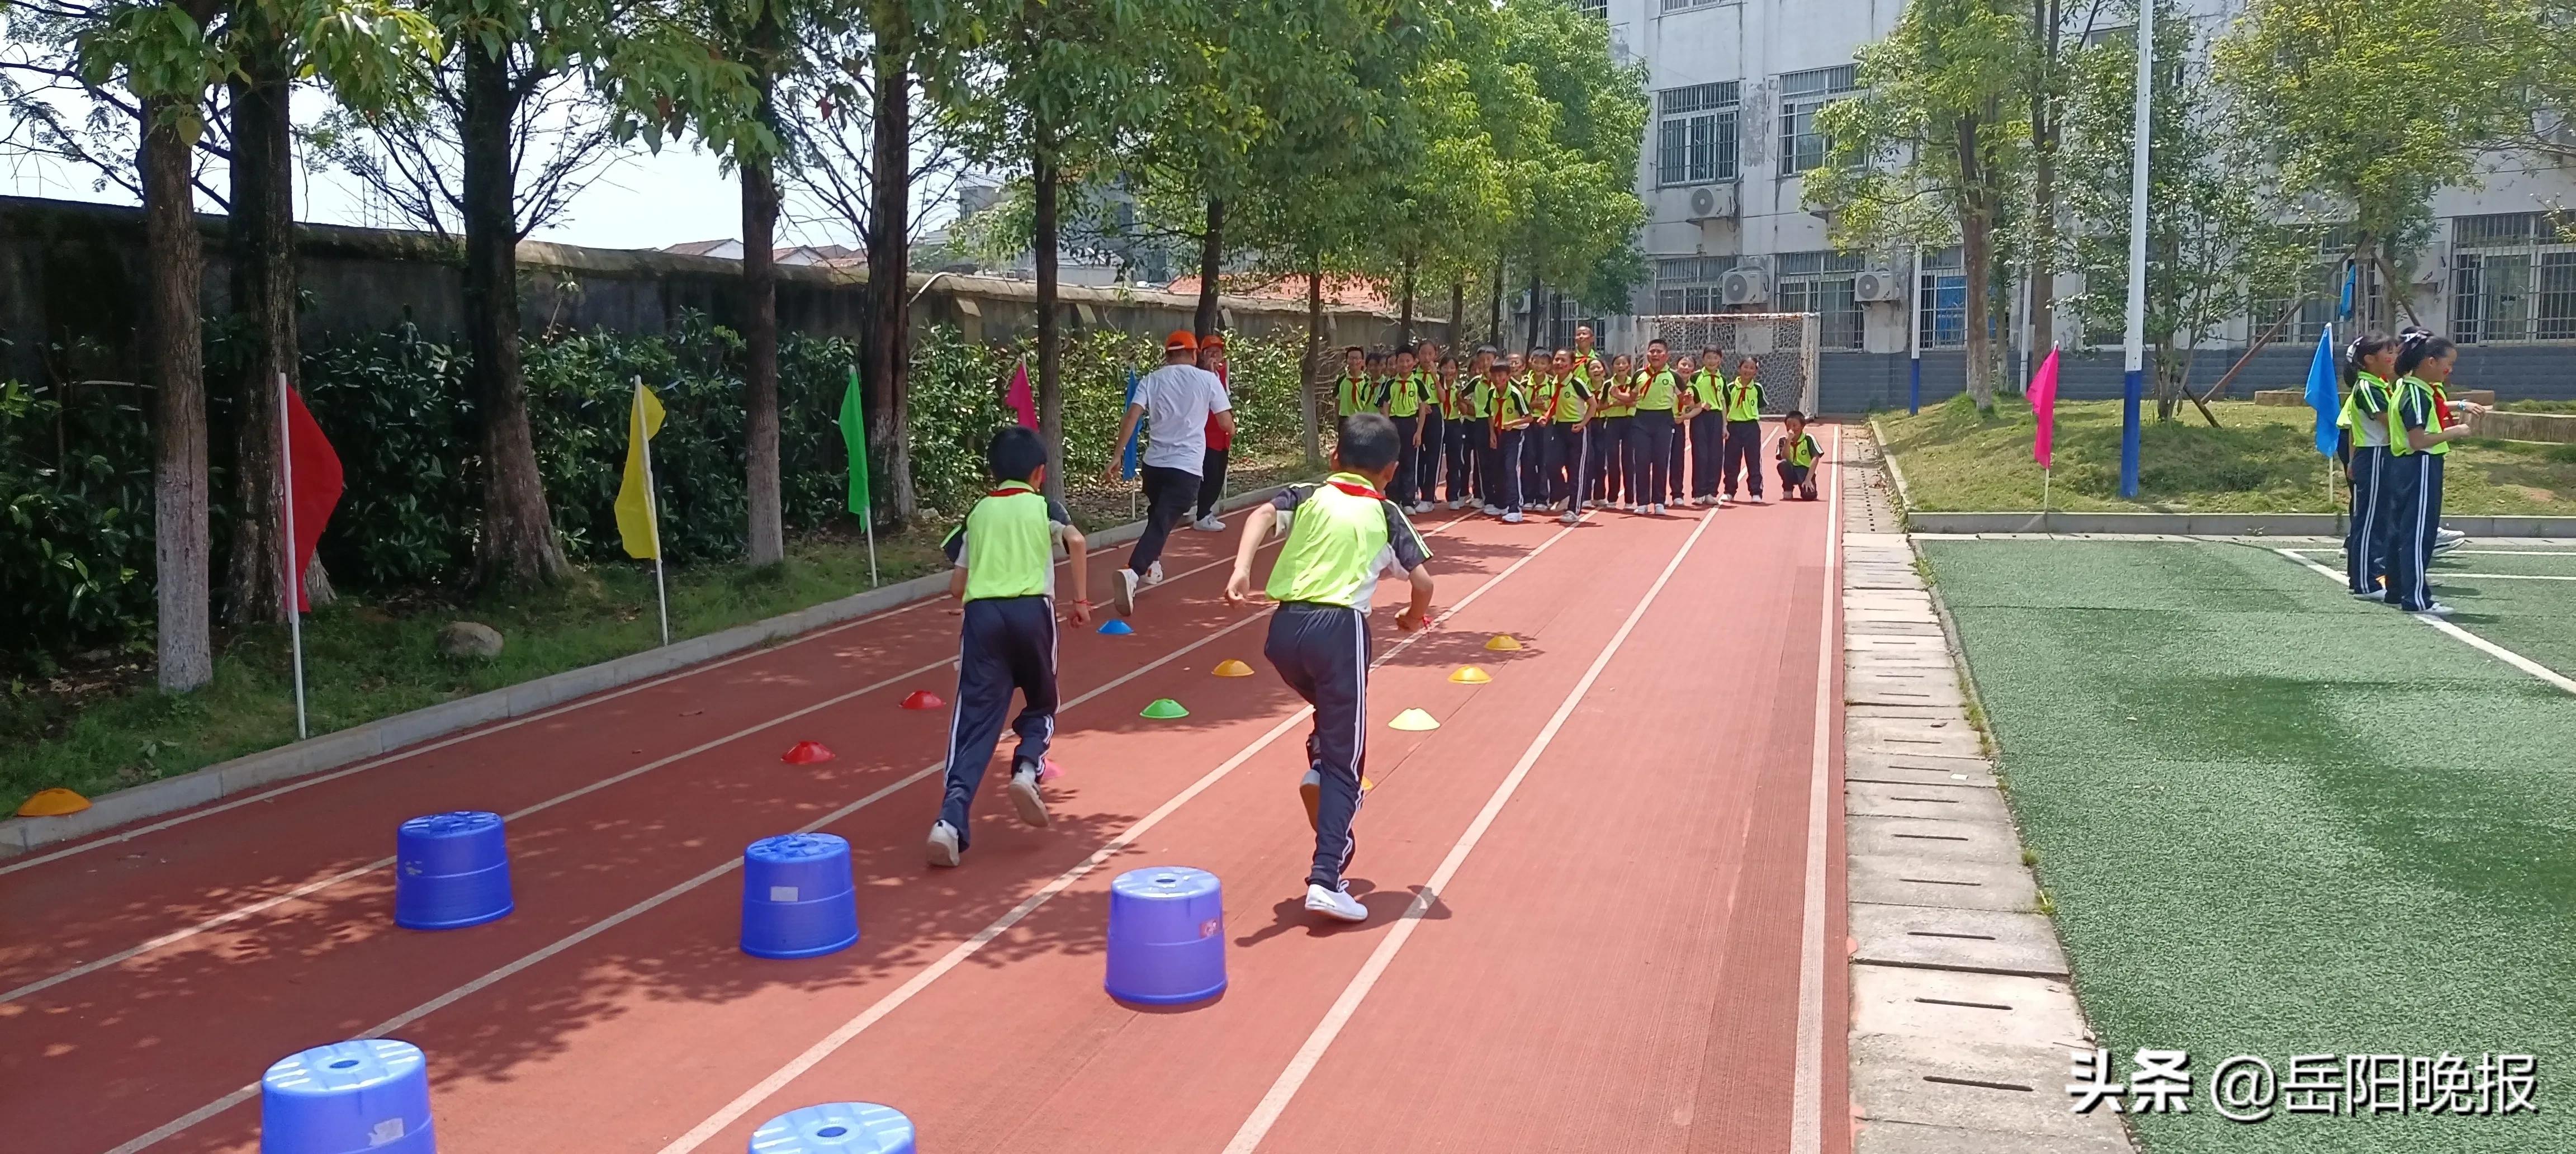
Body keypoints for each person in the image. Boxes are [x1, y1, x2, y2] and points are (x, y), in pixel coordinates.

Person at [1223, 414, 1435, 923]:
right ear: (1391, 470)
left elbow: (1259, 516)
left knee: (1330, 714)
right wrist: (1410, 617)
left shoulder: (1308, 494)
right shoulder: (1386, 512)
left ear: (1335, 457)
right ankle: (1326, 878)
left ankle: (1320, 762)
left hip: (1284, 633)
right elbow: (1424, 582)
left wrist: (1242, 568)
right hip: (1340, 632)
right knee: (1348, 762)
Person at [927, 427, 1091, 867]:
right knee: (1042, 700)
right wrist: (1079, 601)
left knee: (975, 722)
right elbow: (1076, 541)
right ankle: (1025, 766)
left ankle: (949, 821)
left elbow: (956, 584)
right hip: (1032, 611)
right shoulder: (1043, 507)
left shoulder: (978, 514)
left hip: (983, 619)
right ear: (1040, 474)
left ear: (992, 475)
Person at [1103, 330, 1233, 616]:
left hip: (1154, 465)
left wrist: (1118, 455)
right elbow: (1226, 423)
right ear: (1195, 353)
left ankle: (1153, 564)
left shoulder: (1152, 380)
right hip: (1185, 465)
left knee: (1158, 512)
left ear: (1167, 355)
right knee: (1163, 520)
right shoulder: (1208, 380)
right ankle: (1133, 572)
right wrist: (1229, 427)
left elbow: (1132, 416)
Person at [2380, 333, 2485, 616]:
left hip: (2405, 465)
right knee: (2418, 534)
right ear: (2430, 362)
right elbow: (2418, 440)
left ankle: (2397, 590)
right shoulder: (2416, 393)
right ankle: (2416, 597)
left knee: (2400, 530)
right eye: (2447, 363)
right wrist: (2457, 431)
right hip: (2420, 463)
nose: (2449, 370)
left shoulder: (2408, 387)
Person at [2337, 332, 2400, 599]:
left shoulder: (2380, 384)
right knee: (2369, 520)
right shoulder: (2367, 387)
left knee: (2379, 519)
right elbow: (2389, 421)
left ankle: (2370, 577)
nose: (2395, 357)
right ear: (2370, 359)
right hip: (2373, 456)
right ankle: (2364, 582)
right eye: (2389, 352)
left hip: (2377, 455)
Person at [1538, 347, 1592, 522]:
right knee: (1551, 464)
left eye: (1563, 361)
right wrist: (1547, 417)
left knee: (1576, 470)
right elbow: (1555, 403)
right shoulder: (1554, 382)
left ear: (1571, 365)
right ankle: (1563, 495)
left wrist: (1583, 423)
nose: (1559, 363)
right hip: (1559, 428)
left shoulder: (1576, 383)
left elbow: (1593, 404)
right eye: (1557, 360)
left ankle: (1574, 510)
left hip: (1576, 429)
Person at [1628, 339, 1679, 515]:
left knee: (1660, 462)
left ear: (1667, 355)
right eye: (1652, 351)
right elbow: (1631, 397)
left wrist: (1688, 399)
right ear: (1647, 354)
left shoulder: (1673, 376)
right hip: (1641, 421)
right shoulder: (1639, 375)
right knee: (1641, 462)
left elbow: (1686, 397)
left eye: (1659, 351)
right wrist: (1617, 395)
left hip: (1664, 421)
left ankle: (1659, 501)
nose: (1655, 355)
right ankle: (1642, 502)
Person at [1192, 333, 1233, 532]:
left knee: (1219, 475)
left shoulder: (1224, 372)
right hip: (1206, 434)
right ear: (1203, 355)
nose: (1216, 358)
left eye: (1218, 353)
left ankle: (1206, 512)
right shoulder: (1198, 376)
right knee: (1208, 475)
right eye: (1211, 353)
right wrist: (1208, 374)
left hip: (1223, 433)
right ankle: (1201, 514)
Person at [1484, 355, 1533, 523]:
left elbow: (1529, 417)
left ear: (1508, 376)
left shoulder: (1515, 394)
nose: (1498, 379)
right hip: (1498, 433)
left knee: (1510, 467)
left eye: (1501, 376)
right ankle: (1502, 503)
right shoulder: (1492, 393)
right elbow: (1490, 415)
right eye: (1495, 376)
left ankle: (1515, 507)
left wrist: (1514, 423)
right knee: (1497, 468)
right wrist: (1492, 434)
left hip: (1513, 434)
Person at [1383, 345, 1427, 510]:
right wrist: (1387, 426)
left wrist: (1419, 432)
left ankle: (1408, 500)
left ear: (1413, 363)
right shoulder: (1390, 385)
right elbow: (1385, 406)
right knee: (1394, 461)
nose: (1404, 364)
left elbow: (1422, 408)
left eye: (1408, 361)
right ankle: (1394, 500)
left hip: (1410, 423)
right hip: (1394, 423)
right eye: (1400, 361)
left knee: (1410, 462)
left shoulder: (1417, 383)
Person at [1720, 357, 1768, 504]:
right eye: (1745, 367)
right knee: (1731, 461)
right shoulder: (1730, 387)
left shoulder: (1757, 388)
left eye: (1752, 368)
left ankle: (1756, 492)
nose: (1748, 370)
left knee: (1753, 460)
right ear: (1739, 368)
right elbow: (1725, 405)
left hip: (1751, 426)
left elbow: (1761, 404)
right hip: (1734, 426)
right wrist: (1726, 425)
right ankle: (1729, 491)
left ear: (1756, 371)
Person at [1683, 346, 1726, 505]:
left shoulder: (1722, 379)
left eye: (1715, 358)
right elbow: (1687, 396)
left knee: (1716, 456)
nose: (1712, 361)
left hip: (1716, 417)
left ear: (1720, 360)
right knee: (1700, 455)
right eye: (1708, 357)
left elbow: (1722, 401)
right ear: (1703, 359)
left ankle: (1711, 491)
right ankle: (1699, 492)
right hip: (1700, 417)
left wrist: (1724, 425)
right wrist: (1699, 406)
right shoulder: (1696, 377)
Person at [1438, 353, 1478, 509]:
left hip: (1454, 423)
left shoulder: (1460, 389)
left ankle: (1454, 495)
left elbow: (1463, 410)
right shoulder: (1436, 386)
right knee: (1433, 459)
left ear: (1456, 370)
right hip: (1438, 423)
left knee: (1455, 461)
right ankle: (1428, 495)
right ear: (1440, 369)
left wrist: (1462, 401)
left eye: (1452, 368)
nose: (1448, 371)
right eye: (1445, 367)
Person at [1597, 352, 1635, 509]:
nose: (1620, 367)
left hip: (1630, 422)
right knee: (1612, 460)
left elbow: (1635, 402)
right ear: (1612, 367)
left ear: (1629, 367)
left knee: (1629, 461)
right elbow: (1600, 406)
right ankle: (1612, 497)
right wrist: (1614, 404)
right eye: (1617, 364)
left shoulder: (1634, 383)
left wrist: (1620, 399)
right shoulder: (1608, 385)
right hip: (1612, 422)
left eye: (1623, 364)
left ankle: (1630, 500)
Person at [1412, 343, 1446, 514]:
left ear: (1435, 355)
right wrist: (1420, 408)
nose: (1426, 358)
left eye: (1430, 354)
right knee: (1417, 455)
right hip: (1417, 414)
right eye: (1423, 353)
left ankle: (1428, 496)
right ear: (1418, 355)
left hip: (1434, 414)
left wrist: (1434, 377)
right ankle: (1415, 492)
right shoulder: (1412, 375)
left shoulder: (1439, 375)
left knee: (1433, 456)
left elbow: (1443, 398)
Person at [1774, 410, 1822, 500]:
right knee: (1783, 464)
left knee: (1809, 496)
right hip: (1791, 470)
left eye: (1795, 425)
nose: (1791, 429)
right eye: (1788, 426)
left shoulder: (1809, 439)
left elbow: (1816, 458)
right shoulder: (1783, 440)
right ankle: (1788, 488)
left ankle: (1808, 487)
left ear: (1802, 426)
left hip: (1805, 471)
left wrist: (1808, 479)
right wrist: (1788, 441)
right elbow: (1784, 458)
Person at [1336, 346, 1377, 423]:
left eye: (1357, 358)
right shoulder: (1341, 380)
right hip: (1345, 418)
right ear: (1347, 361)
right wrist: (1337, 419)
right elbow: (1337, 401)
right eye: (1351, 358)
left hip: (1363, 418)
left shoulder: (1368, 381)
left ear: (1362, 361)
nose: (1355, 361)